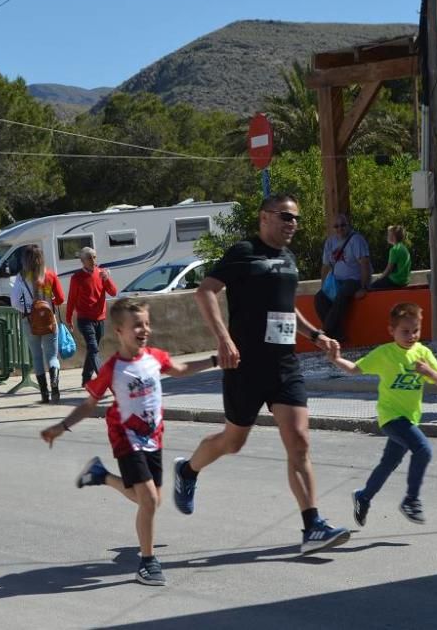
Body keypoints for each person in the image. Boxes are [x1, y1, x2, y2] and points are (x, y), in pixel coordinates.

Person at [174, 193, 351, 556]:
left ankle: (312, 525)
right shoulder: (244, 252)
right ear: (265, 217)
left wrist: (316, 335)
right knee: (232, 442)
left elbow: (286, 310)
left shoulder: (288, 259)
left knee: (299, 441)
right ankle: (188, 470)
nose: (293, 224)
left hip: (284, 364)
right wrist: (223, 339)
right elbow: (205, 292)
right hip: (245, 365)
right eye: (286, 217)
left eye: (296, 219)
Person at [39, 298, 218, 586]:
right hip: (126, 438)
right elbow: (88, 405)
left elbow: (181, 368)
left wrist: (214, 360)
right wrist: (60, 427)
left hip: (153, 438)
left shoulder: (155, 357)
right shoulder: (112, 369)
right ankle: (147, 563)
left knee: (151, 501)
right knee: (148, 500)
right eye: (137, 325)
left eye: (147, 324)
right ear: (119, 330)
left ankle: (101, 475)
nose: (144, 329)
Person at [329, 303, 437, 528]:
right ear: (391, 331)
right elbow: (355, 369)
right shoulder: (385, 354)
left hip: (410, 418)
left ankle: (363, 496)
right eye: (405, 331)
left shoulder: (423, 353)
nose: (411, 336)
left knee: (388, 463)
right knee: (423, 449)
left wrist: (429, 372)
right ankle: (411, 500)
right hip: (391, 418)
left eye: (416, 330)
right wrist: (335, 358)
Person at [10, 245, 65, 403]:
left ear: (25, 260)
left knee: (37, 356)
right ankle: (54, 384)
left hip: (29, 321)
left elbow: (14, 302)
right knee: (52, 356)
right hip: (49, 320)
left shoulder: (20, 278)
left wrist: (28, 310)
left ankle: (44, 394)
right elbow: (60, 299)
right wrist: (48, 303)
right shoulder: (50, 275)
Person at [313, 213, 371, 342]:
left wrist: (364, 287)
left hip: (354, 280)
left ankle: (325, 331)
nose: (340, 228)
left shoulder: (356, 240)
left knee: (343, 292)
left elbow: (364, 264)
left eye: (343, 225)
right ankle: (338, 335)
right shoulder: (330, 242)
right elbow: (325, 266)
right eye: (336, 226)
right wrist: (323, 287)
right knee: (319, 298)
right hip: (336, 281)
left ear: (348, 225)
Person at [67, 247, 118, 386]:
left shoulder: (101, 274)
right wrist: (68, 318)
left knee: (92, 349)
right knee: (93, 348)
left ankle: (86, 378)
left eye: (94, 257)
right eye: (89, 258)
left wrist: (107, 279)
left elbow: (113, 292)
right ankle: (103, 379)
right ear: (82, 261)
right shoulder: (76, 278)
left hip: (100, 318)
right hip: (84, 319)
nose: (93, 260)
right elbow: (71, 299)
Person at [370, 225, 411, 290]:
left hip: (396, 281)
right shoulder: (404, 248)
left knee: (371, 287)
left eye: (388, 235)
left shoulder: (394, 249)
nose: (387, 237)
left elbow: (389, 269)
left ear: (393, 237)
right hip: (405, 281)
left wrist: (380, 278)